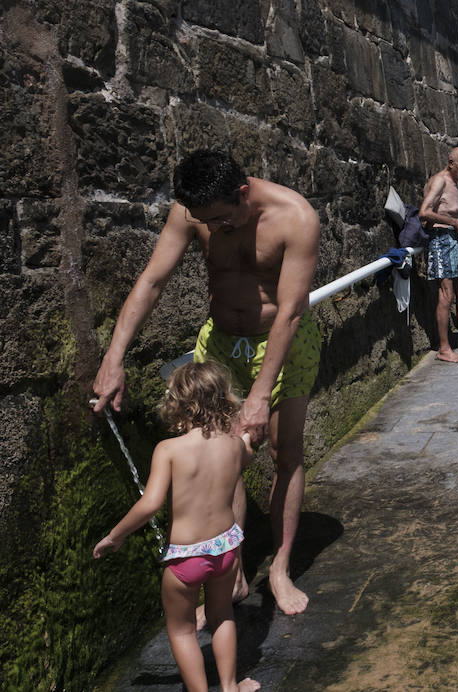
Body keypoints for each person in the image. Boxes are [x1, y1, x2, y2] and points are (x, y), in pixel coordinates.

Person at [91, 149, 318, 616]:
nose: (211, 230)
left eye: (220, 222)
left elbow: (291, 311)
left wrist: (259, 395)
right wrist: (114, 359)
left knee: (283, 450)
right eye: (204, 222)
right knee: (218, 453)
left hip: (285, 341)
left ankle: (279, 566)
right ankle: (228, 574)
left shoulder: (295, 217)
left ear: (241, 193)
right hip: (221, 343)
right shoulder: (192, 212)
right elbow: (152, 282)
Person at [94, 363, 260, 692]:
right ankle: (230, 686)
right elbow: (247, 456)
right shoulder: (232, 445)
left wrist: (116, 535)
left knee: (182, 630)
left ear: (179, 406)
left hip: (187, 558)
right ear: (224, 399)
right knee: (222, 614)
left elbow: (151, 503)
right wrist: (244, 439)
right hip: (226, 549)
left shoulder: (168, 450)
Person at [420, 146, 458, 363]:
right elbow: (424, 212)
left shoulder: (454, 183)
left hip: (454, 240)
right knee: (446, 295)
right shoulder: (440, 181)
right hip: (442, 240)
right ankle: (444, 348)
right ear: (451, 163)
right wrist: (455, 222)